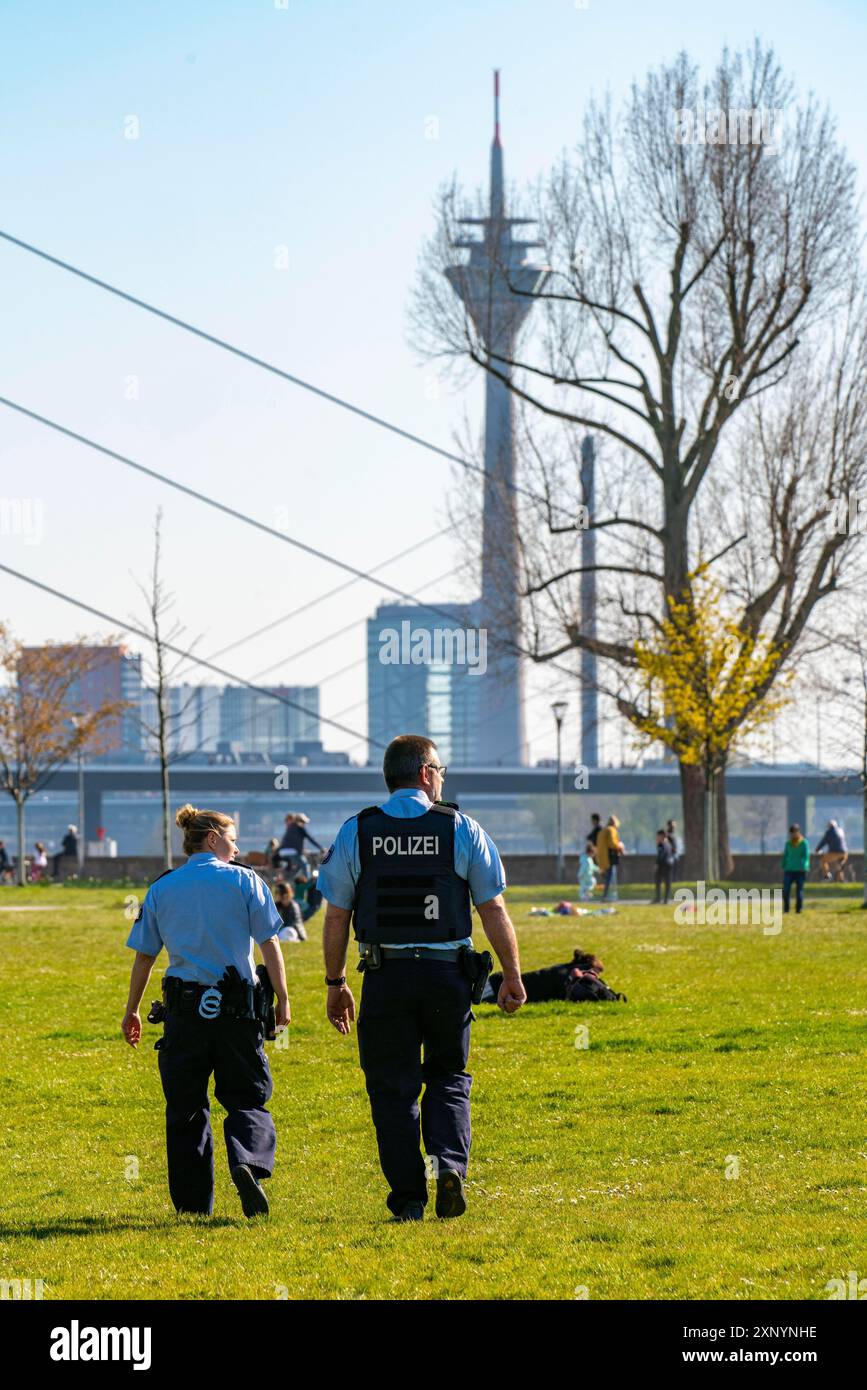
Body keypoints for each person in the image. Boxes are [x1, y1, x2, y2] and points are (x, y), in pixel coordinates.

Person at [318, 733, 526, 1223]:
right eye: (442, 772)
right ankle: (449, 1166)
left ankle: (409, 1197)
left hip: (385, 977)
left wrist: (335, 983)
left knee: (392, 1088)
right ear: (427, 773)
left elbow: (335, 917)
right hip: (447, 976)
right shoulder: (462, 829)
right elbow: (492, 907)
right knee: (449, 1077)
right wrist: (512, 975)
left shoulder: (357, 831)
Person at [121, 804, 290, 1219]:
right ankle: (246, 1161)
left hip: (184, 1014)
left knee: (186, 1109)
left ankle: (194, 1207)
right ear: (213, 838)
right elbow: (269, 943)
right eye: (233, 839)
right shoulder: (247, 882)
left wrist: (133, 1011)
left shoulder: (163, 888)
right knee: (248, 1098)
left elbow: (145, 955)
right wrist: (284, 997)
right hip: (238, 1012)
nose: (237, 847)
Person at [276, 813, 323, 879]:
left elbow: (291, 841)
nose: (304, 824)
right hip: (292, 852)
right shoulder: (300, 828)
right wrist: (321, 848)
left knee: (297, 866)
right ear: (300, 821)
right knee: (305, 866)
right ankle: (308, 884)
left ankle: (288, 880)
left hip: (283, 852)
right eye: (303, 822)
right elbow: (310, 839)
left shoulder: (290, 827)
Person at [595, 816, 626, 902]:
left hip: (602, 858)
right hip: (609, 858)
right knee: (610, 878)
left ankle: (607, 895)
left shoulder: (602, 831)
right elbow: (612, 844)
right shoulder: (611, 830)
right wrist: (620, 845)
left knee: (607, 878)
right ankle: (608, 896)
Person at [782, 823, 809, 913]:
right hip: (789, 870)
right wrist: (783, 864)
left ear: (798, 832)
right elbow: (785, 855)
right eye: (792, 833)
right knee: (785, 891)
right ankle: (786, 909)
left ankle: (799, 909)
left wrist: (804, 866)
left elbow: (806, 856)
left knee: (799, 891)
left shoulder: (804, 843)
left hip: (800, 870)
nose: (793, 834)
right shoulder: (788, 843)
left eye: (795, 832)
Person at [653, 828, 676, 905]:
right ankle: (665, 899)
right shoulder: (669, 844)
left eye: (658, 836)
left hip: (662, 865)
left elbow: (660, 855)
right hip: (669, 864)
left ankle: (658, 898)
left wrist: (657, 864)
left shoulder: (662, 844)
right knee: (667, 882)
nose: (657, 838)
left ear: (661, 836)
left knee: (658, 881)